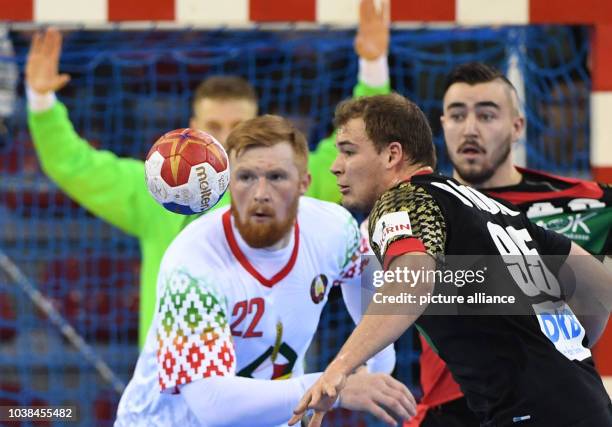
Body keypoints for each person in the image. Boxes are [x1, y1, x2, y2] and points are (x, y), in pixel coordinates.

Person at [25, 0, 391, 348]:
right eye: (214, 124)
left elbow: (354, 146)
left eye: (237, 124)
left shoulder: (291, 180)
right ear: (192, 128)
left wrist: (373, 66)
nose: (226, 136)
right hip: (176, 385)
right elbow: (74, 164)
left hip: (271, 384)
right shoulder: (160, 188)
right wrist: (41, 103)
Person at [289, 93, 612, 427]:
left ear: (392, 154)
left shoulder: (403, 199)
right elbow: (599, 285)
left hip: (528, 412)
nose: (335, 165)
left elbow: (411, 281)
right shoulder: (488, 205)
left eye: (349, 151)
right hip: (588, 404)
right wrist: (563, 350)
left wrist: (339, 368)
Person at [114, 114, 414, 426]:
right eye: (246, 177)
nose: (260, 193)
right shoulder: (192, 265)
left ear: (304, 184)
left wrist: (373, 366)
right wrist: (333, 385)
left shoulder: (332, 229)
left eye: (276, 177)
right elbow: (212, 404)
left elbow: (365, 274)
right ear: (228, 184)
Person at [406, 62, 612, 427]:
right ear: (442, 125)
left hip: (547, 404)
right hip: (448, 410)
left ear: (518, 126)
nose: (470, 129)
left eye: (487, 115)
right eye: (457, 115)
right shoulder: (418, 210)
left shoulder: (585, 204)